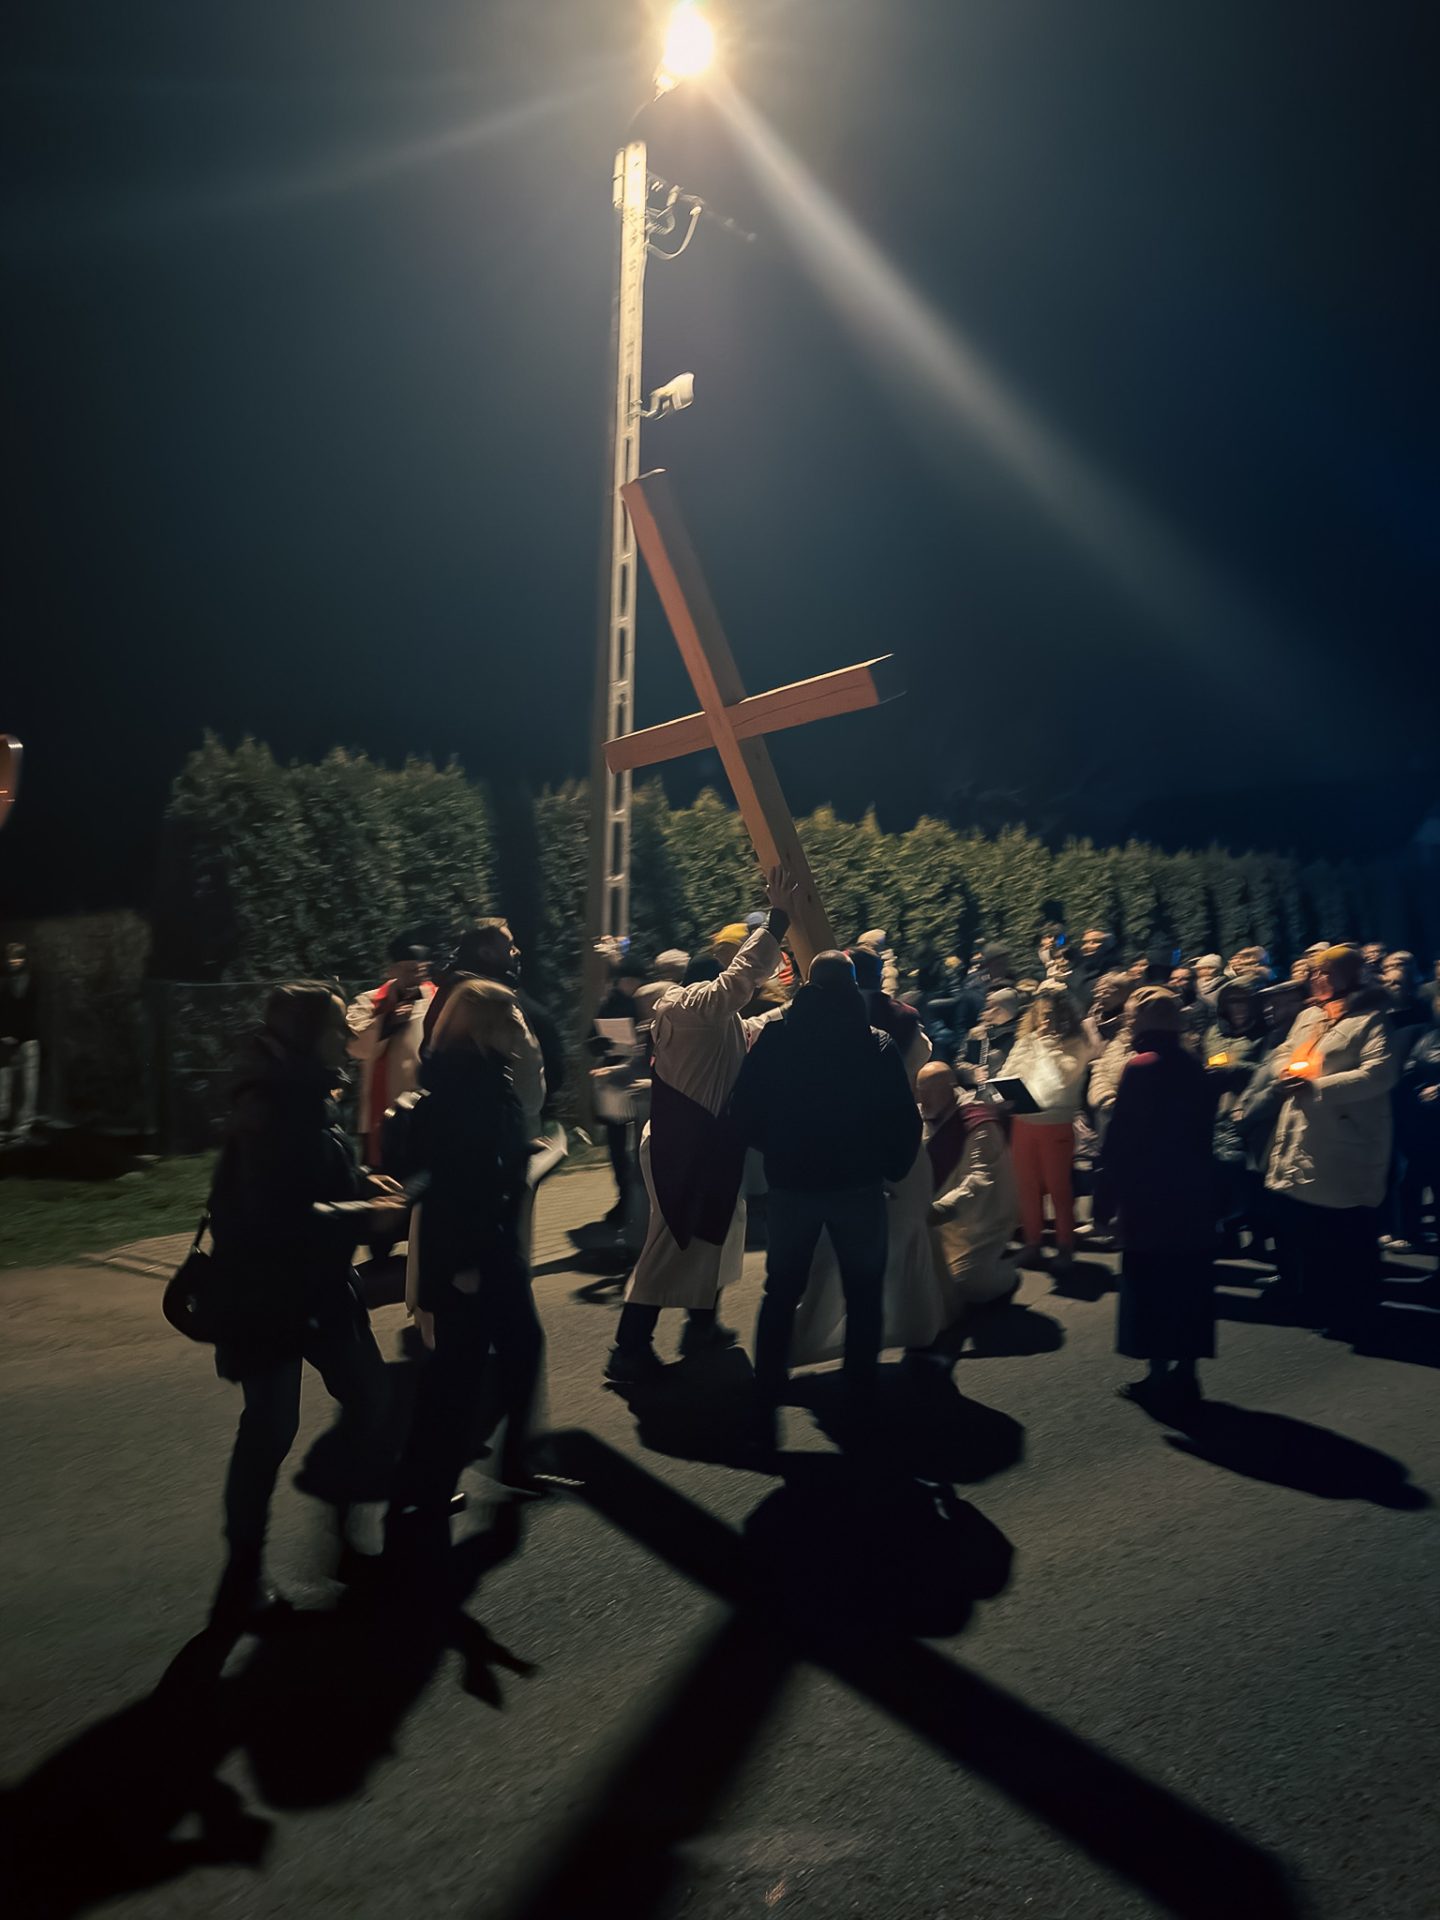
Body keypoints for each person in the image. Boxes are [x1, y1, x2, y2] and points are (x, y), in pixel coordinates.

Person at [209, 983, 400, 1621]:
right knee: (272, 1427)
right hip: (272, 1294)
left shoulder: (300, 1088)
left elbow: (312, 1176)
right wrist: (367, 1214)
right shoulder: (273, 1103)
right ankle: (244, 1573)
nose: (346, 1037)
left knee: (366, 1398)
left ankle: (344, 1535)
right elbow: (285, 1213)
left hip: (313, 1287)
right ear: (306, 1034)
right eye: (335, 1027)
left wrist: (361, 1183)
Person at [605, 869, 795, 1382]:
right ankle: (629, 1348)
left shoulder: (714, 1021)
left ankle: (701, 1327)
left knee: (711, 1236)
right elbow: (737, 984)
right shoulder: (686, 1006)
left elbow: (751, 1026)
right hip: (683, 1145)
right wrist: (777, 919)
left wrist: (802, 1006)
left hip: (701, 1143)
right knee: (672, 1243)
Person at [730, 950, 921, 1451]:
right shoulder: (874, 1043)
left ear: (809, 985)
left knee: (781, 1288)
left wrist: (776, 1150)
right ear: (853, 987)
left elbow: (743, 1109)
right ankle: (861, 1387)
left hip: (793, 1183)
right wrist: (890, 1167)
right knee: (863, 1290)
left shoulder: (777, 1037)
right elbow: (903, 1117)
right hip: (858, 1185)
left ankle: (768, 1384)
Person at [388, 980, 543, 1536]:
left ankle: (438, 1480)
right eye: (511, 1019)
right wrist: (463, 1265)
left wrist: (520, 1155)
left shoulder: (474, 1077)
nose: (521, 1029)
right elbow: (457, 1183)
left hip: (484, 1246)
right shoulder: (468, 1088)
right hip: (474, 1251)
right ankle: (426, 1487)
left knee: (480, 1363)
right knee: (459, 1374)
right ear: (484, 1028)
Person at [1264, 944, 1398, 1336]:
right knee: (1307, 1225)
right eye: (1314, 972)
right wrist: (1282, 1073)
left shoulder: (1372, 1019)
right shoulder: (1309, 1014)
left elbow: (1379, 1073)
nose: (1317, 978)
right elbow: (1284, 1051)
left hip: (1342, 1135)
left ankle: (1354, 1308)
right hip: (1302, 1131)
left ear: (1350, 975)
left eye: (1325, 971)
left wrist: (1317, 1087)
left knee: (1343, 1227)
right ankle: (1313, 1299)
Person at [1097, 988, 1216, 1408]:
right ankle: (1187, 1372)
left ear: (1148, 1021)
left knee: (1151, 1283)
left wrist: (1105, 1202)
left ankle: (1158, 1374)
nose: (1127, 1024)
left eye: (1132, 1017)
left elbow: (1121, 1140)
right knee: (1188, 1282)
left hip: (1149, 1195)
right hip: (1193, 1193)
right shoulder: (1193, 1064)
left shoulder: (1141, 1067)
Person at [1002, 982, 1095, 1272]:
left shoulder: (1076, 1042)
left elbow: (1065, 1078)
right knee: (1026, 1186)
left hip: (1056, 1122)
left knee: (1058, 1187)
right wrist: (1031, 1047)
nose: (1047, 1020)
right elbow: (1008, 1072)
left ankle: (1065, 1245)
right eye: (1042, 1014)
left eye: (1053, 1014)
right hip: (1024, 1121)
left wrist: (1049, 1046)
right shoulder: (1027, 1041)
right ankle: (1032, 1243)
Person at [919, 1060, 1020, 1326]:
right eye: (920, 1091)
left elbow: (979, 1178)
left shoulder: (978, 1122)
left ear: (950, 1088)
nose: (923, 1099)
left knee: (966, 1285)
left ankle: (1007, 1274)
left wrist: (942, 1209)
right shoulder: (922, 1115)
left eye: (930, 1091)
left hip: (977, 1226)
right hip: (935, 1225)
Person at [346, 938, 435, 1167]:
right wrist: (388, 1022)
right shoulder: (369, 1001)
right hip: (384, 1108)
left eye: (418, 970)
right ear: (392, 970)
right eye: (406, 970)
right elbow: (355, 1045)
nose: (413, 976)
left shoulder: (438, 1000)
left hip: (429, 1107)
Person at [1202, 982, 1268, 1257]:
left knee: (1247, 1176)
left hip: (1248, 1110)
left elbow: (1268, 1068)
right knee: (1218, 1174)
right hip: (1215, 1110)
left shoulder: (1262, 1034)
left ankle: (1258, 1238)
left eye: (1243, 1001)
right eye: (1232, 1002)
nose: (1238, 1008)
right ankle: (1226, 1236)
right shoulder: (1214, 1033)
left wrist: (1234, 1068)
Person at [1396, 994, 1440, 1252]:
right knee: (1414, 1179)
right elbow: (1411, 1066)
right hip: (1423, 1122)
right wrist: (1417, 1088)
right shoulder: (1427, 1034)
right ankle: (1411, 1234)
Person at [0, 940, 40, 1146]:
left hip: (28, 1039)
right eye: (11, 958)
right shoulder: (4, 982)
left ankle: (23, 1129)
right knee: (4, 1085)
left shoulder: (32, 981)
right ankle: (4, 1127)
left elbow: (33, 1012)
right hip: (6, 1041)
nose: (14, 961)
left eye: (18, 957)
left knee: (28, 1086)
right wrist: (4, 1034)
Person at [964, 987, 1022, 1082]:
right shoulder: (977, 1031)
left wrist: (977, 1043)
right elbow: (958, 1064)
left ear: (1000, 1011)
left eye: (988, 1008)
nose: (982, 1013)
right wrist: (971, 1073)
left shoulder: (1017, 1036)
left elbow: (991, 1067)